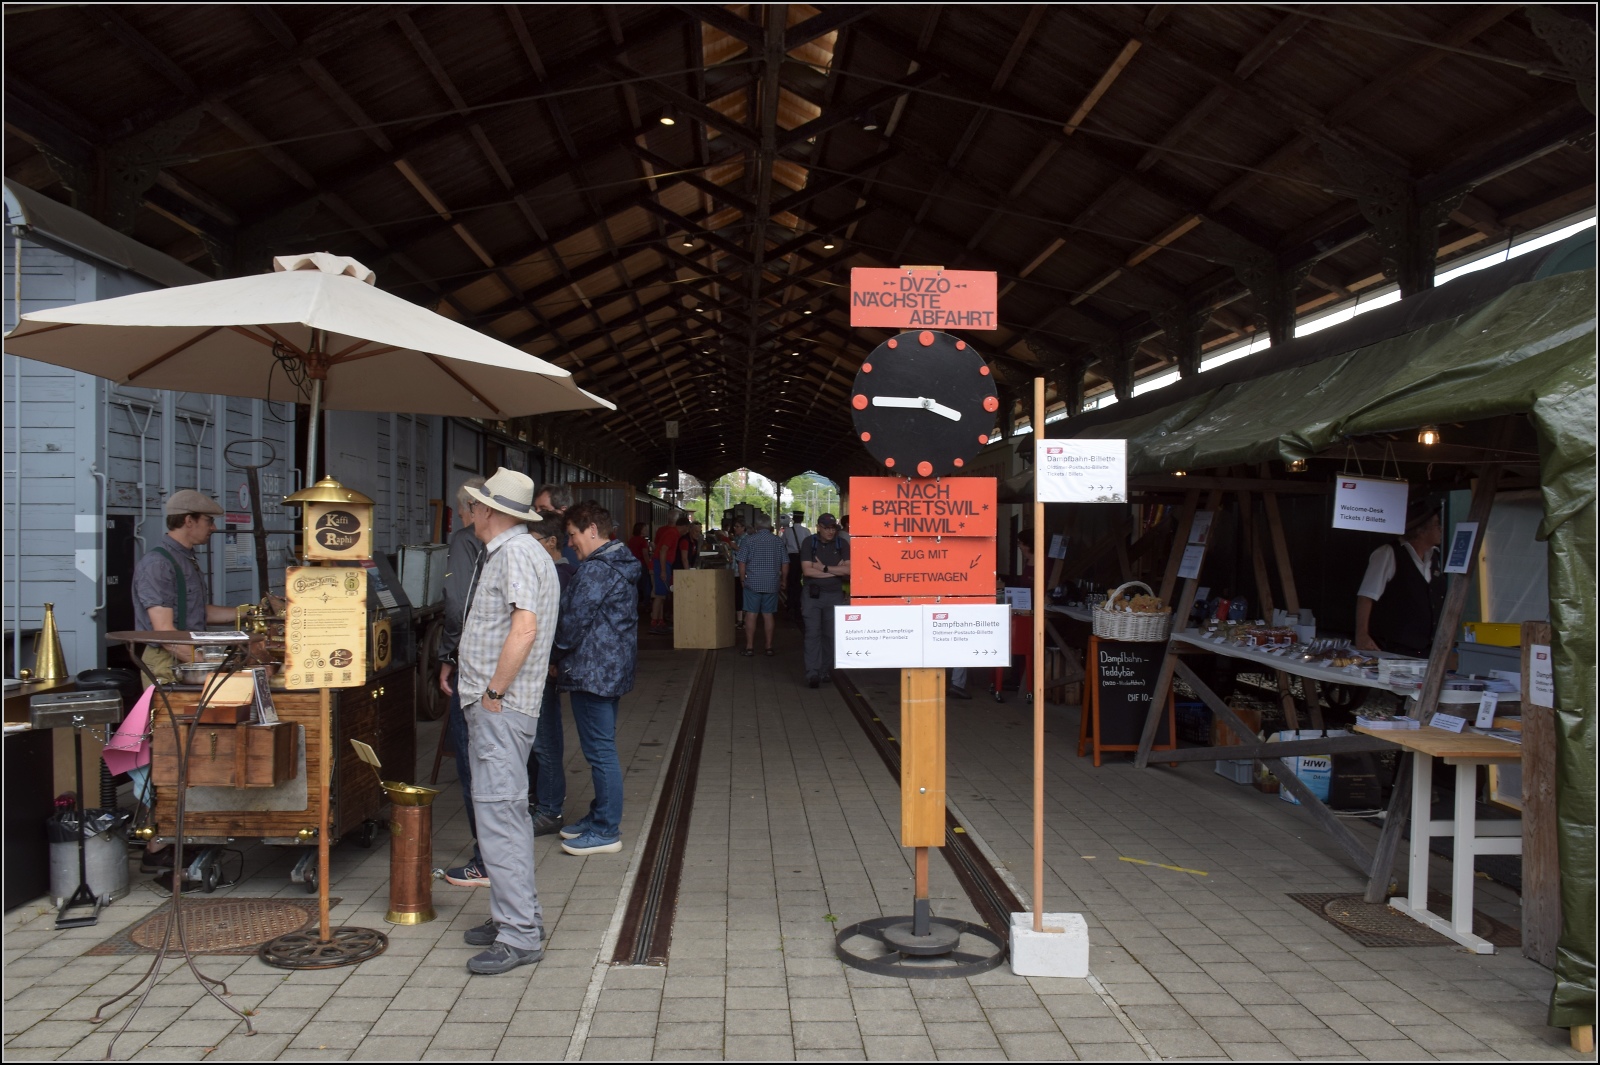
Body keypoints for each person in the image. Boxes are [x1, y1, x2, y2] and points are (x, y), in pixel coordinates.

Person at [445, 467, 560, 975]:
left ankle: (519, 934)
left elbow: (524, 629)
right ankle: (515, 917)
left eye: (474, 505)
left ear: (489, 511)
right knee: (503, 815)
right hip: (504, 706)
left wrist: (493, 692)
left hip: (501, 708)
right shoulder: (521, 550)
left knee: (499, 816)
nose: (470, 512)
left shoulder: (513, 553)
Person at [131, 489, 278, 880]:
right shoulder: (157, 564)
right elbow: (165, 632)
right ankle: (158, 845)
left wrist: (252, 613)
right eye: (208, 521)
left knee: (195, 751)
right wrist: (209, 664)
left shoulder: (186, 560)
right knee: (171, 753)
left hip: (185, 661)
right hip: (167, 666)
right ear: (188, 520)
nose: (213, 528)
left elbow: (199, 614)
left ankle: (186, 830)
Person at [552, 500, 642, 856]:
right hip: (610, 670)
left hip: (592, 671)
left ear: (592, 529)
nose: (569, 542)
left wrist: (553, 656)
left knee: (600, 751)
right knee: (600, 747)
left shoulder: (596, 570)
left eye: (572, 534)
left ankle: (606, 830)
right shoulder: (619, 562)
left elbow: (572, 623)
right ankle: (599, 815)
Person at [436, 476, 488, 874]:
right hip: (504, 665)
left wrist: (447, 655)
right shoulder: (518, 543)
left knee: (472, 761)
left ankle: (484, 860)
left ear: (471, 509)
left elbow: (457, 604)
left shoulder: (465, 541)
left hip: (471, 661)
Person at [525, 517, 574, 837]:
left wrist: (554, 659)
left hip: (543, 668)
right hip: (535, 667)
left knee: (545, 741)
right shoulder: (550, 572)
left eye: (533, 541)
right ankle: (539, 801)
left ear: (552, 542)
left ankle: (550, 808)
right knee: (537, 740)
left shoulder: (560, 576)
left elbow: (560, 625)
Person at [1355, 497, 1445, 657]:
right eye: (1437, 524)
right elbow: (1366, 597)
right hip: (1393, 648)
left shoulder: (1435, 557)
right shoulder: (1388, 553)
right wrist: (1362, 634)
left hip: (1427, 650)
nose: (1441, 529)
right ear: (1421, 530)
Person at [799, 514, 850, 688]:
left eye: (833, 528)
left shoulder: (842, 544)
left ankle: (824, 670)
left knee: (830, 635)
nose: (830, 531)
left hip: (834, 595)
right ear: (818, 527)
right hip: (812, 596)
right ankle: (812, 673)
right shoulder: (809, 542)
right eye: (827, 528)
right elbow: (807, 571)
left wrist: (823, 568)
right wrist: (836, 571)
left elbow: (849, 570)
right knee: (813, 634)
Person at [736, 513, 788, 657]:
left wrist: (742, 579)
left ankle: (749, 647)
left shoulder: (748, 540)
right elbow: (785, 563)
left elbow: (741, 562)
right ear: (769, 525)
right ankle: (768, 647)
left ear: (756, 526)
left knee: (751, 614)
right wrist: (784, 580)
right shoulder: (777, 541)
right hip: (771, 583)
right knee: (768, 614)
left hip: (752, 583)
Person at [648, 515, 686, 632]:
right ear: (684, 527)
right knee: (659, 595)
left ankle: (660, 621)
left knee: (662, 595)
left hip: (662, 564)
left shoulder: (672, 533)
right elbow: (663, 550)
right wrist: (663, 570)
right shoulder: (672, 533)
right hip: (661, 564)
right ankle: (654, 622)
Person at [534, 482, 578, 566]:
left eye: (543, 509)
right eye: (535, 509)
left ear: (562, 511)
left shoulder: (573, 545)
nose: (537, 513)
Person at [781, 510, 810, 622]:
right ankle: (800, 602)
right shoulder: (806, 531)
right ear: (802, 519)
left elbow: (782, 545)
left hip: (791, 558)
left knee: (791, 581)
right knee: (801, 580)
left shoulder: (787, 531)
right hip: (803, 558)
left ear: (793, 519)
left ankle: (791, 602)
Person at [625, 521, 652, 612]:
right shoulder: (643, 541)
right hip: (642, 564)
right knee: (646, 584)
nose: (647, 530)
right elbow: (645, 554)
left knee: (635, 585)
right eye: (645, 529)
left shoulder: (631, 540)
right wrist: (649, 566)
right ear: (641, 530)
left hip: (632, 565)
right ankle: (645, 603)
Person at [727, 517, 748, 629]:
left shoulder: (746, 539)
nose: (735, 528)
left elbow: (746, 555)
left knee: (741, 595)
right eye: (734, 526)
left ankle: (742, 620)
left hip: (741, 572)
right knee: (738, 595)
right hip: (735, 570)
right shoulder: (737, 538)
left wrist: (736, 548)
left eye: (737, 526)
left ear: (743, 528)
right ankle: (740, 619)